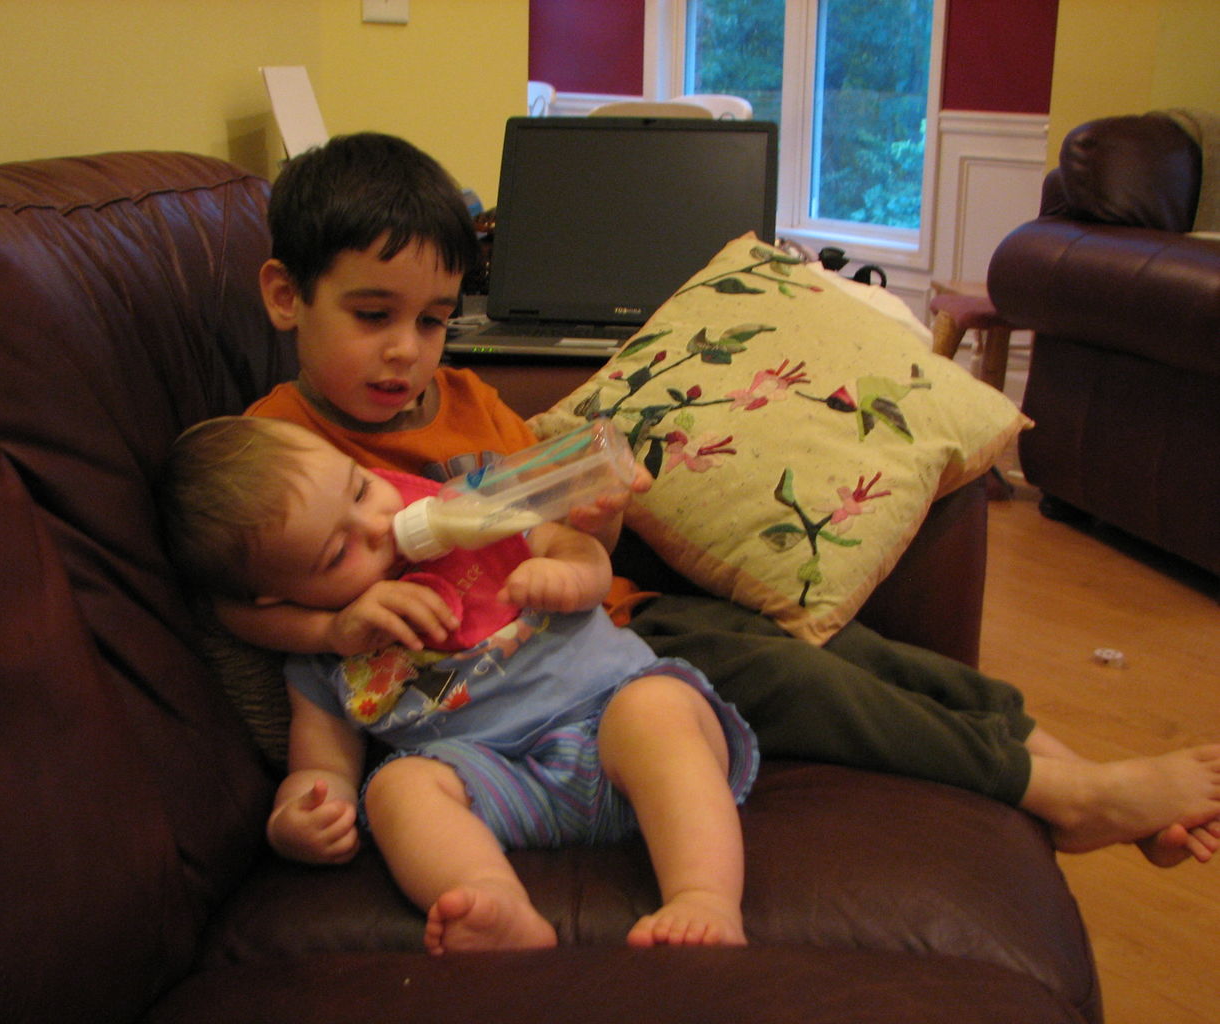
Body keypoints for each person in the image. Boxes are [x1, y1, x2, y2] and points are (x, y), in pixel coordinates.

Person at [233, 130, 1220, 866]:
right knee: (814, 689)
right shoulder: (277, 443)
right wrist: (332, 629)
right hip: (567, 681)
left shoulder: (469, 399)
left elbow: (565, 537)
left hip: (613, 619)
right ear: (287, 296)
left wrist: (596, 515)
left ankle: (1079, 780)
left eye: (435, 319)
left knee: (875, 657)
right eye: (373, 316)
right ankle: (1077, 798)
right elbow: (224, 584)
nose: (407, 349)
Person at [159, 415, 759, 954]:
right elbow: (321, 767)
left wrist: (569, 575)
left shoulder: (473, 515)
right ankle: (492, 901)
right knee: (395, 786)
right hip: (500, 785)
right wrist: (298, 815)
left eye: (362, 487)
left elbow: (585, 558)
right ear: (281, 597)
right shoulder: (324, 662)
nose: (380, 524)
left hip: (614, 734)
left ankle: (704, 898)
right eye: (341, 550)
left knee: (655, 707)